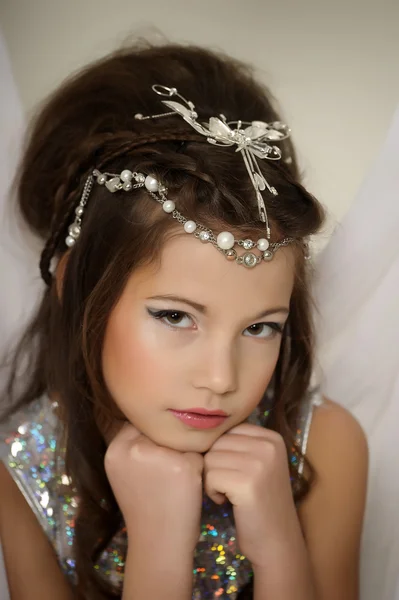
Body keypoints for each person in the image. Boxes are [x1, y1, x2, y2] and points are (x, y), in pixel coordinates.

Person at [0, 43, 368, 600]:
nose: (221, 378)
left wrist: (278, 547)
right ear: (74, 282)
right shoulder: (21, 469)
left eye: (260, 327)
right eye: (175, 316)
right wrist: (158, 545)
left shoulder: (325, 445)